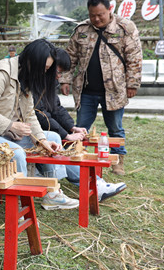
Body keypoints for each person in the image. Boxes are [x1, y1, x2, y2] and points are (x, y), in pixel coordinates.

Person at [0, 39, 79, 211]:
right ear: (31, 61)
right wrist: (11, 125)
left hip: (9, 134)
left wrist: (41, 140)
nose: (45, 72)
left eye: (48, 69)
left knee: (53, 137)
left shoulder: (26, 76)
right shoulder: (1, 73)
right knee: (17, 153)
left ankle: (52, 194)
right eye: (44, 68)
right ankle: (18, 205)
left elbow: (29, 114)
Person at [60, 0, 143, 176]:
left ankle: (118, 160)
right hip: (86, 90)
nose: (96, 19)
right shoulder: (82, 29)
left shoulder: (125, 27)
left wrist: (132, 84)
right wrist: (64, 79)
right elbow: (69, 57)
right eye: (92, 15)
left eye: (100, 15)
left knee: (115, 127)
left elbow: (134, 58)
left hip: (114, 89)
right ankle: (78, 159)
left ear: (109, 10)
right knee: (80, 126)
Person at [33, 47, 127, 201]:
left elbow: (56, 108)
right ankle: (90, 186)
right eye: (57, 71)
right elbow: (40, 114)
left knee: (63, 143)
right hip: (31, 131)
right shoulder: (34, 83)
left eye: (60, 73)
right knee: (58, 142)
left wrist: (71, 126)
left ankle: (95, 184)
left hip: (41, 131)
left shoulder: (48, 83)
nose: (58, 76)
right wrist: (66, 135)